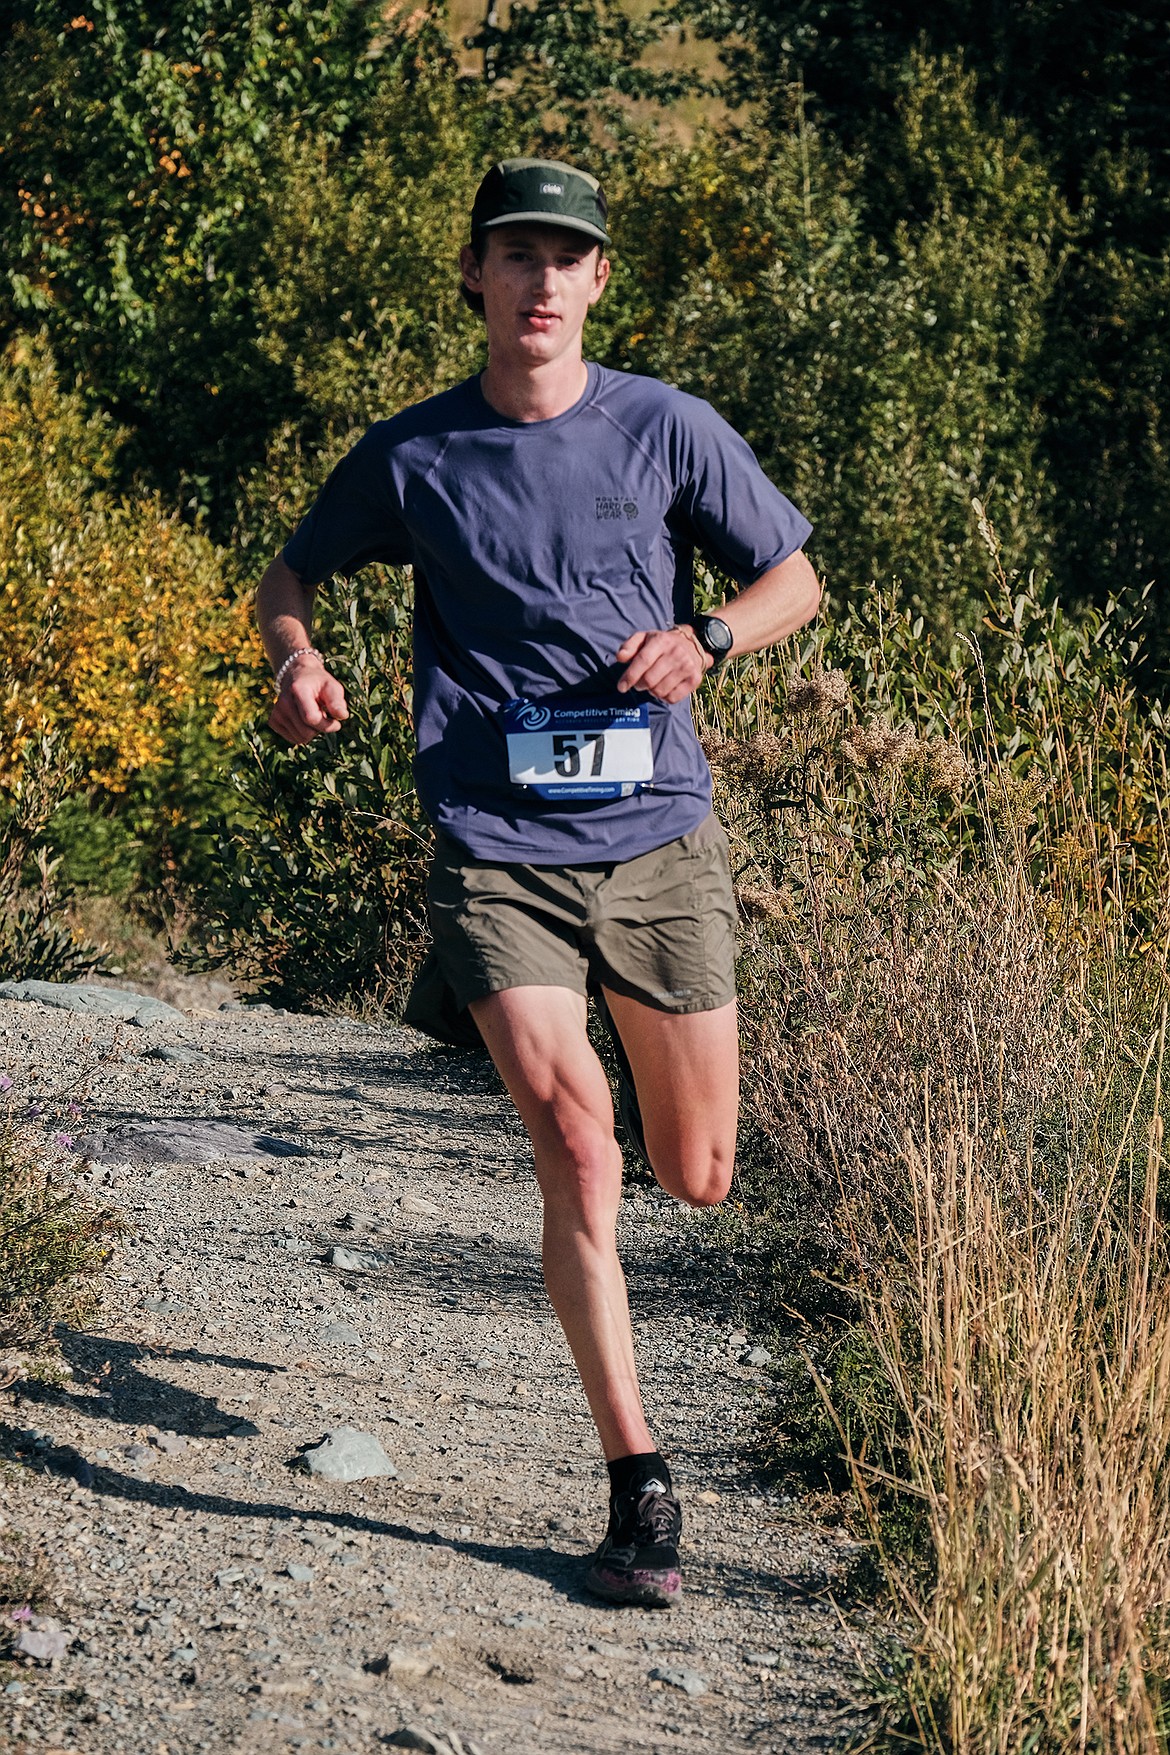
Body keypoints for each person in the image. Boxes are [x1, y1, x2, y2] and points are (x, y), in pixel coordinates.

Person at [257, 156, 820, 1608]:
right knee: (578, 1149)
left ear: (596, 285)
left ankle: (546, 1024)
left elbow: (793, 581)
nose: (542, 281)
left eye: (567, 259)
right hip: (494, 848)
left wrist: (706, 638)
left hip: (656, 840)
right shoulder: (415, 454)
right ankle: (639, 1482)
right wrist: (297, 663)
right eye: (517, 255)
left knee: (695, 1178)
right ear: (474, 276)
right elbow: (290, 576)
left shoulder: (666, 428)